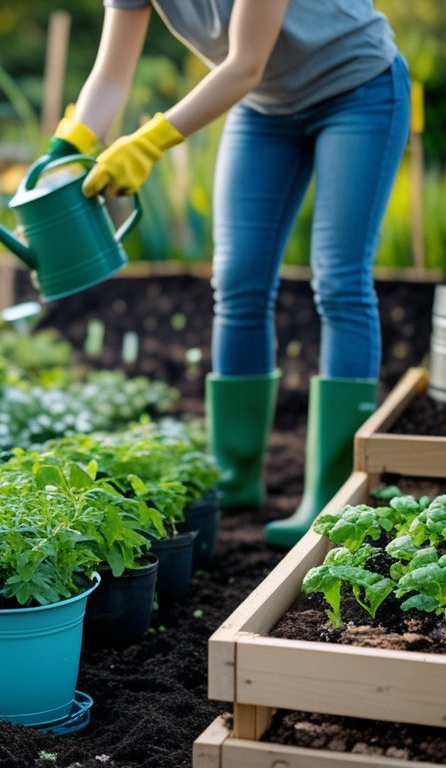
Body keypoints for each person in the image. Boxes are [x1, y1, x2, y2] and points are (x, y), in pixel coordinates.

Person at [45, 0, 409, 546]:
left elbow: (245, 63)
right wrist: (63, 149)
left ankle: (333, 493)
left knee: (338, 280)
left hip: (358, 88)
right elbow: (110, 76)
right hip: (264, 109)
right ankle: (234, 477)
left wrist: (148, 142)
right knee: (237, 281)